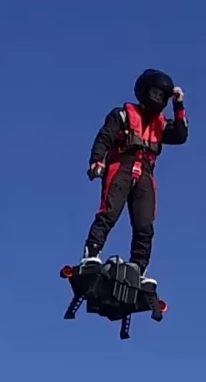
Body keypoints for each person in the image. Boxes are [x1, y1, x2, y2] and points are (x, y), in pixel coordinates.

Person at [80, 68, 188, 288]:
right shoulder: (123, 115)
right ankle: (92, 253)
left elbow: (180, 135)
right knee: (109, 212)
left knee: (144, 224)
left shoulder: (161, 124)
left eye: (162, 96)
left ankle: (138, 267)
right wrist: (97, 160)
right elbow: (105, 137)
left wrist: (178, 105)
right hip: (121, 166)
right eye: (155, 93)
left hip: (146, 174)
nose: (157, 99)